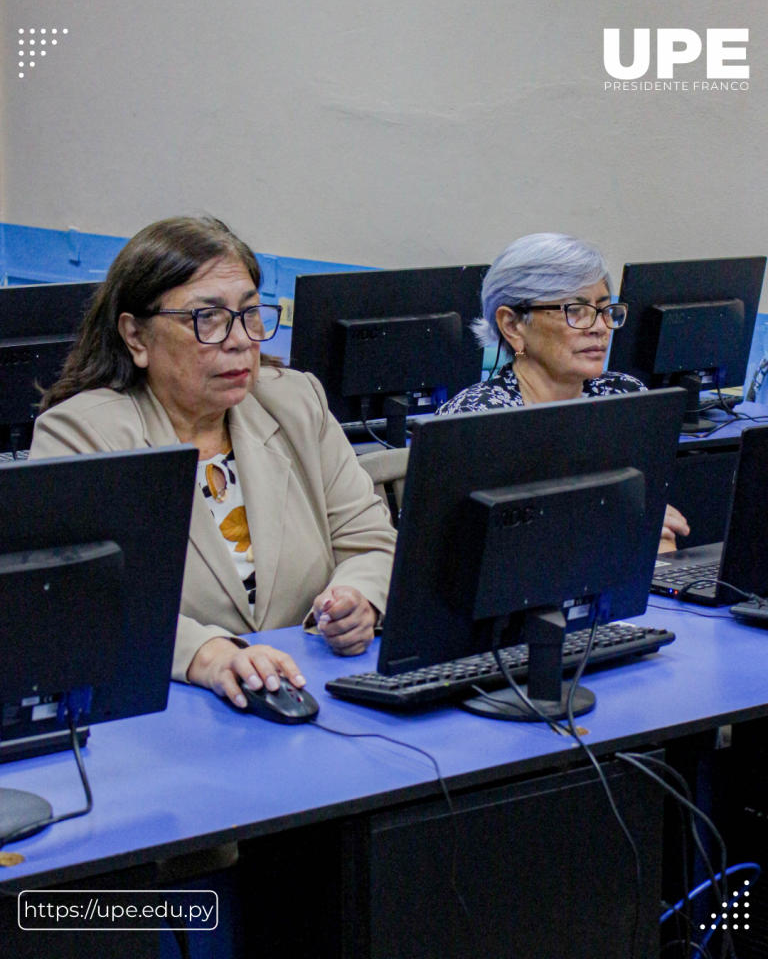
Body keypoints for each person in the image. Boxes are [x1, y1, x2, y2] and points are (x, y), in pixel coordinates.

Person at [31, 216, 397, 708]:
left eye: (250, 314)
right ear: (137, 338)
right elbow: (73, 602)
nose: (241, 339)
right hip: (166, 709)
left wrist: (358, 599)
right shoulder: (82, 435)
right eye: (209, 318)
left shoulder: (294, 401)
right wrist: (206, 654)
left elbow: (370, 541)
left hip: (316, 686)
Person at [438, 232, 689, 552]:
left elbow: (659, 538)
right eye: (576, 311)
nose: (599, 327)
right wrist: (615, 525)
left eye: (604, 309)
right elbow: (467, 549)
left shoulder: (625, 397)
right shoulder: (476, 417)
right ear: (513, 325)